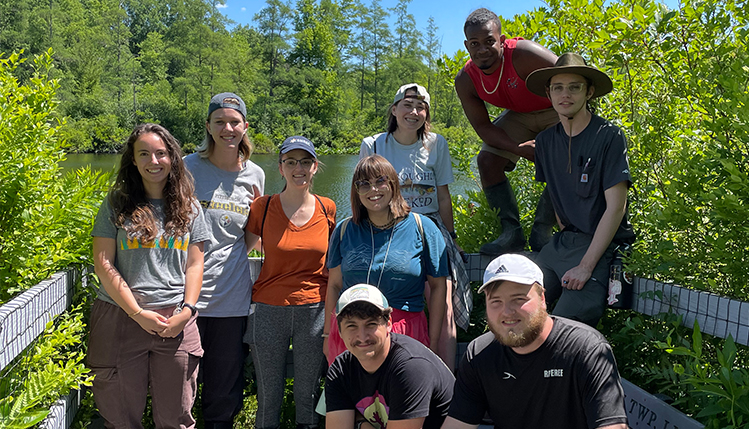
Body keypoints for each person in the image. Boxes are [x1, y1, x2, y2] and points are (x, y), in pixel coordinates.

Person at [89, 123, 210, 428]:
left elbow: (195, 264)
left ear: (173, 157)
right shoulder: (116, 202)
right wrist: (137, 312)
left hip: (176, 322)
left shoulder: (190, 205)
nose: (153, 161)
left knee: (176, 418)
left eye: (160, 153)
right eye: (144, 154)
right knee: (120, 418)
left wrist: (188, 310)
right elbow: (103, 263)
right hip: (120, 318)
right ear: (132, 159)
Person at [442, 254, 628, 429]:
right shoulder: (479, 354)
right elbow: (458, 423)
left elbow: (611, 425)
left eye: (519, 299)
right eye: (496, 301)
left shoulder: (586, 349)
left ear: (542, 299)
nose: (507, 311)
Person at [359, 83, 470, 370]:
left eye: (421, 107)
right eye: (407, 105)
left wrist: (451, 236)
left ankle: (443, 376)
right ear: (394, 110)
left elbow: (443, 196)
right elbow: (363, 192)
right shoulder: (374, 144)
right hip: (388, 227)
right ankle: (387, 369)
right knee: (388, 299)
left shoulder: (436, 143)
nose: (414, 111)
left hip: (429, 227)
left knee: (442, 304)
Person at [523, 53, 635, 327]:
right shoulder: (546, 141)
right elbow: (557, 195)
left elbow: (616, 208)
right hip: (562, 243)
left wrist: (586, 266)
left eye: (575, 87)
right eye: (558, 87)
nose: (566, 94)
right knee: (522, 309)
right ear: (549, 93)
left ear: (589, 91)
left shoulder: (608, 136)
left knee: (564, 326)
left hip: (601, 246)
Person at [184, 92, 265, 428]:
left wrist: (226, 259)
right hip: (185, 299)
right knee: (182, 387)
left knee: (223, 390)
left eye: (234, 122)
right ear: (208, 125)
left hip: (231, 300)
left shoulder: (255, 175)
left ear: (245, 127)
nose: (227, 128)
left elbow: (253, 232)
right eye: (220, 122)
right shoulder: (187, 167)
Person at [243, 136, 336, 429]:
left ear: (315, 167)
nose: (299, 168)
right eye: (291, 162)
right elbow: (240, 253)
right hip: (269, 309)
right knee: (268, 395)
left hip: (314, 310)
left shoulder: (328, 208)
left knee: (306, 395)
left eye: (306, 161)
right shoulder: (263, 207)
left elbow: (335, 265)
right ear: (280, 167)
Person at [324, 155, 448, 366]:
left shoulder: (423, 227)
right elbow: (335, 285)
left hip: (405, 330)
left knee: (403, 397)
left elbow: (438, 288)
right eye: (364, 184)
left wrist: (434, 341)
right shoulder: (344, 230)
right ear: (356, 191)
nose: (373, 190)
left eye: (380, 181)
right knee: (354, 398)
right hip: (352, 334)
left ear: (393, 183)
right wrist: (328, 335)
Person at [455, 8, 559, 255]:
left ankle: (543, 231)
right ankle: (510, 233)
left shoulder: (524, 54)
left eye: (489, 41)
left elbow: (573, 77)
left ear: (501, 40)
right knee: (488, 160)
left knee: (566, 158)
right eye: (475, 43)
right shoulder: (466, 80)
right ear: (467, 45)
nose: (482, 49)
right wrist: (519, 149)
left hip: (558, 109)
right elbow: (483, 127)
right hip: (520, 115)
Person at [326, 284, 454, 429]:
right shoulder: (341, 369)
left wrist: (360, 424)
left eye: (371, 324)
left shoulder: (411, 366)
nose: (362, 336)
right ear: (340, 331)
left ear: (388, 324)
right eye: (352, 326)